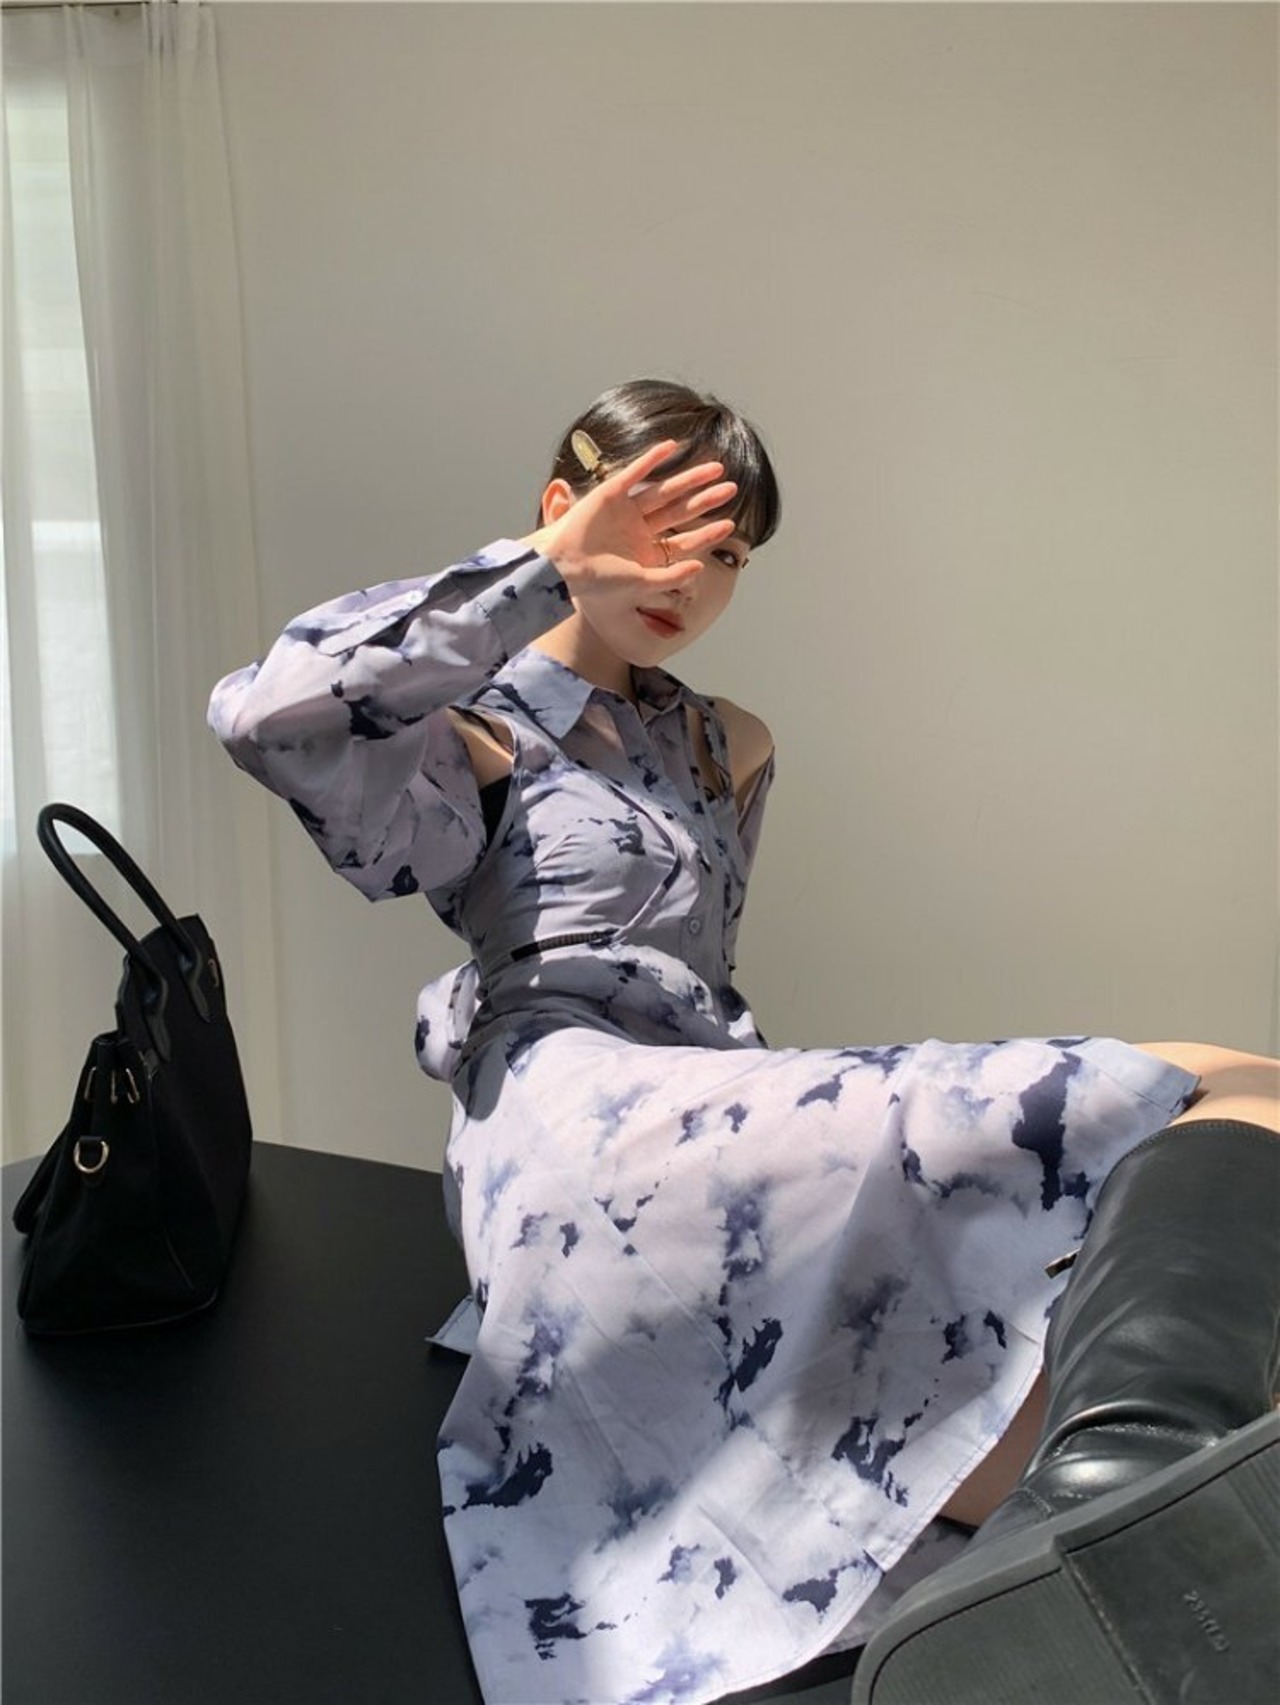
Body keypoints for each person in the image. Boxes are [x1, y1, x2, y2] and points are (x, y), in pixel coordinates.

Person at [209, 379, 1277, 1705]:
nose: (689, 577)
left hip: (711, 1113)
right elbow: (269, 715)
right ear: (567, 508)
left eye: (725, 555)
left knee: (1071, 1335)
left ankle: (1117, 1585)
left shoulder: (731, 746)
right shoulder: (478, 733)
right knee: (1185, 1085)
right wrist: (542, 571)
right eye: (660, 533)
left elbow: (699, 980)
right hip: (567, 1117)